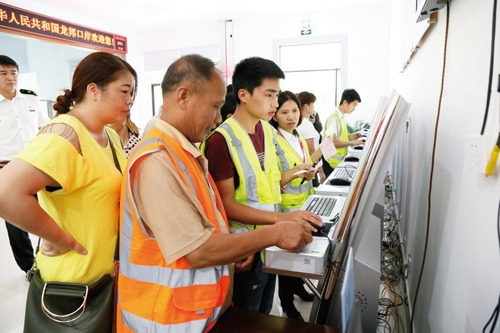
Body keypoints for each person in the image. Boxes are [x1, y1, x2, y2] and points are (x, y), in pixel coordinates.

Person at [116, 54, 314, 332]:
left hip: (195, 315)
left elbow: (199, 224)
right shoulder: (157, 160)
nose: (218, 117)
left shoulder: (182, 151)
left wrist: (235, 243)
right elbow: (197, 251)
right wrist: (274, 233)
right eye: (215, 107)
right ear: (183, 96)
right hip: (165, 321)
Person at [0, 52, 136, 329]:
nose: (130, 100)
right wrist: (59, 238)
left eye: (132, 92)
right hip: (72, 290)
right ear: (94, 91)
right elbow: (5, 193)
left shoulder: (108, 134)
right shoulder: (64, 135)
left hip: (104, 279)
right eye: (124, 91)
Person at [203, 57, 322, 315]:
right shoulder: (221, 141)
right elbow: (226, 206)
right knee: (248, 314)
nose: (275, 103)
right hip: (244, 246)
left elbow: (270, 183)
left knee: (265, 310)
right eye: (269, 95)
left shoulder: (268, 132)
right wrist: (282, 220)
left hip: (270, 239)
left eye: (276, 95)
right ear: (243, 94)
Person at [269, 91, 318, 320]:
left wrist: (309, 174)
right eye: (284, 112)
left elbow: (302, 166)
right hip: (287, 207)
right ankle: (287, 303)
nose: (291, 116)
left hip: (304, 201)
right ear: (275, 115)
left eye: (295, 111)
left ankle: (298, 288)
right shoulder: (273, 138)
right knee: (287, 259)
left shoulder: (297, 136)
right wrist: (299, 171)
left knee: (298, 253)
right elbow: (276, 177)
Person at [0, 55, 50, 273]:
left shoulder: (31, 99)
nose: (10, 78)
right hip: (6, 168)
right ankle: (29, 266)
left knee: (48, 210)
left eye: (13, 73)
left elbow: (44, 127)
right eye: (3, 73)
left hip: (34, 164)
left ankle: (46, 258)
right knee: (16, 222)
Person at [322, 88, 364, 177]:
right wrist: (354, 142)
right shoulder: (334, 118)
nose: (354, 109)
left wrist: (351, 136)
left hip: (336, 163)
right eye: (354, 105)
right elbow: (333, 142)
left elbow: (339, 136)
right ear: (345, 102)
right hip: (331, 163)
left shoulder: (341, 117)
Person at [296, 91, 325, 186]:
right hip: (311, 167)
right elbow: (312, 151)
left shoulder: (302, 123)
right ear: (306, 106)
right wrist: (321, 172)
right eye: (313, 104)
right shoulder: (306, 124)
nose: (314, 107)